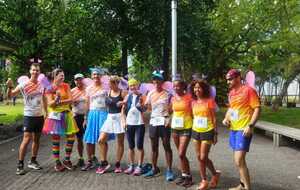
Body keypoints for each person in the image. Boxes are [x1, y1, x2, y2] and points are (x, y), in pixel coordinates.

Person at [223, 69, 261, 190]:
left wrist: (250, 125)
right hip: (233, 129)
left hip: (243, 129)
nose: (228, 82)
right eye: (227, 80)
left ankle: (247, 188)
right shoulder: (231, 93)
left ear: (238, 78)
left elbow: (257, 108)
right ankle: (242, 184)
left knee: (239, 160)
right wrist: (226, 118)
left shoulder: (248, 90)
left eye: (230, 79)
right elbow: (231, 109)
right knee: (238, 161)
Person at [6, 63, 45, 175]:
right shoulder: (24, 84)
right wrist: (9, 86)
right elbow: (11, 95)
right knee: (26, 139)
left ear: (39, 72)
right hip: (29, 116)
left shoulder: (42, 84)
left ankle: (32, 161)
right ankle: (20, 164)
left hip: (40, 116)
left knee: (37, 140)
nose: (35, 72)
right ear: (30, 71)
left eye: (37, 70)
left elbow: (46, 95)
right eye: (33, 70)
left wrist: (46, 112)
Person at [43, 68, 79, 172]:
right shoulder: (49, 87)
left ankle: (66, 159)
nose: (63, 77)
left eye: (63, 76)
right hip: (55, 115)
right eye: (61, 76)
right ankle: (57, 162)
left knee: (71, 137)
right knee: (56, 139)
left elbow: (71, 100)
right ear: (55, 76)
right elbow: (50, 104)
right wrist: (56, 99)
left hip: (67, 114)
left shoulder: (66, 85)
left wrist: (59, 101)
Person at [143, 70, 175, 181]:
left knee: (166, 145)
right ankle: (154, 168)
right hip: (153, 122)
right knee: (154, 147)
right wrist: (141, 105)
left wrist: (168, 116)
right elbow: (147, 107)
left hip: (164, 122)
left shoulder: (168, 94)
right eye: (154, 79)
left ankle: (169, 170)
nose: (156, 81)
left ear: (162, 81)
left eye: (158, 79)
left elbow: (172, 109)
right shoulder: (150, 93)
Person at [190, 80, 221, 190]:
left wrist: (215, 133)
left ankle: (213, 174)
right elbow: (193, 116)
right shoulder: (193, 102)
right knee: (199, 157)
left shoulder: (210, 101)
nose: (197, 89)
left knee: (203, 157)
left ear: (204, 89)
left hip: (208, 130)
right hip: (195, 131)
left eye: (199, 87)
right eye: (195, 87)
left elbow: (214, 118)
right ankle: (204, 180)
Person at [97, 76, 127, 174]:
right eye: (109, 83)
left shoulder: (123, 92)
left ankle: (118, 164)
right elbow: (105, 106)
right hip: (109, 117)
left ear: (116, 83)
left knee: (120, 142)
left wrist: (123, 104)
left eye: (111, 83)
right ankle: (104, 162)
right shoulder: (108, 92)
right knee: (101, 140)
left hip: (119, 117)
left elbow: (126, 105)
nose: (109, 85)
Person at [81, 68, 108, 171]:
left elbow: (109, 100)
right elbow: (87, 104)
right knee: (89, 139)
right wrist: (85, 118)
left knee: (103, 139)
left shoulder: (106, 87)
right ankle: (90, 161)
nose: (96, 76)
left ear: (101, 76)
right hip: (92, 114)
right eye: (94, 74)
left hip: (103, 114)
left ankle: (103, 161)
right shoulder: (88, 89)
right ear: (92, 76)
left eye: (98, 74)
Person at [169, 77, 193, 187]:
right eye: (174, 86)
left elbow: (194, 112)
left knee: (181, 153)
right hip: (175, 128)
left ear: (183, 86)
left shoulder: (189, 98)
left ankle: (188, 176)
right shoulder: (173, 98)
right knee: (181, 155)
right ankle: (184, 175)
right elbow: (171, 111)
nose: (175, 88)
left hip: (186, 127)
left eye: (177, 85)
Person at [123, 78, 146, 176]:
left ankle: (139, 166)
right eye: (131, 85)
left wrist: (141, 105)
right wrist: (124, 122)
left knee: (139, 145)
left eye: (134, 85)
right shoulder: (127, 97)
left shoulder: (142, 96)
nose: (132, 87)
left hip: (139, 123)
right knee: (131, 146)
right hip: (129, 123)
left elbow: (145, 109)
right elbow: (123, 110)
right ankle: (131, 165)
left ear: (137, 86)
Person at [71, 73, 87, 168]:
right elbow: (68, 103)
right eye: (77, 80)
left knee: (89, 138)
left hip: (87, 117)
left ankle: (91, 158)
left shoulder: (87, 90)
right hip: (76, 116)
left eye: (80, 79)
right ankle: (81, 158)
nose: (79, 81)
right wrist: (73, 103)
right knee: (79, 139)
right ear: (74, 81)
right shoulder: (72, 91)